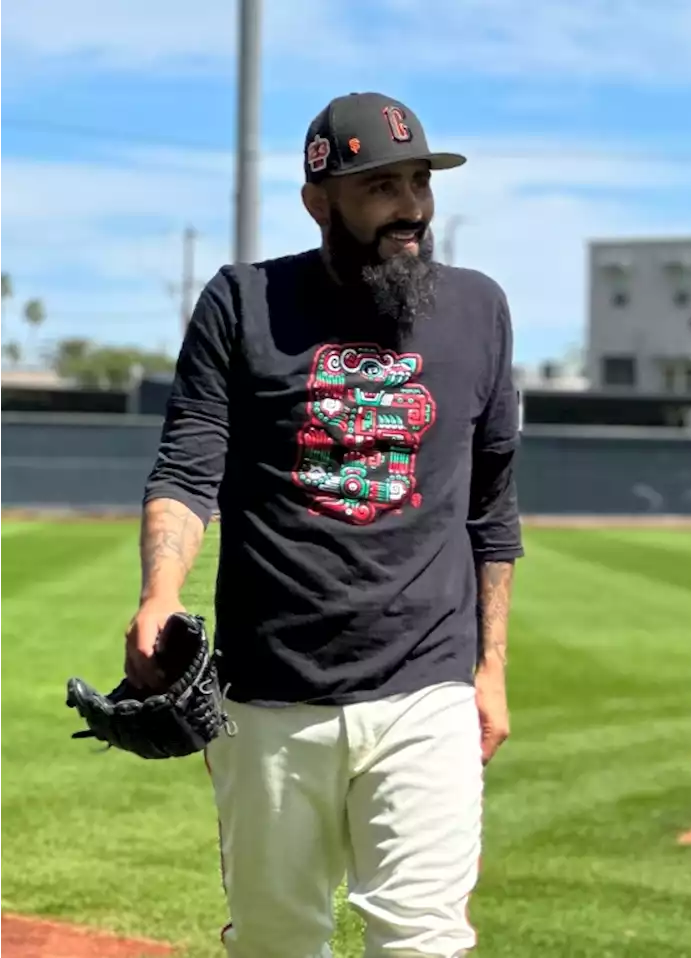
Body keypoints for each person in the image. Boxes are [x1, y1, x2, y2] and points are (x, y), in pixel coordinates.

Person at [129, 91, 523, 957]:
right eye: (381, 187)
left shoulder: (479, 310)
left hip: (428, 688)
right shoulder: (243, 303)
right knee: (276, 939)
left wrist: (489, 668)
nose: (411, 207)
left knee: (422, 939)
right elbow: (189, 468)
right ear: (320, 200)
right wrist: (160, 593)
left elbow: (493, 510)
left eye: (420, 180)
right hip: (270, 692)